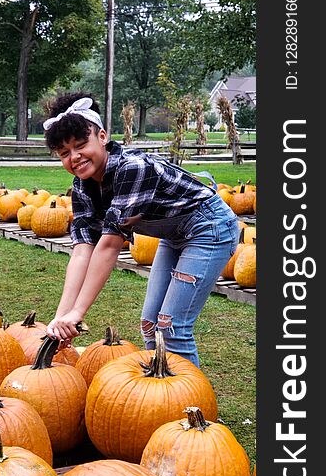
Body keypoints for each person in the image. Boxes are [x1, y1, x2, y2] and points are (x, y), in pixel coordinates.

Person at [44, 91, 239, 368]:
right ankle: (163, 393)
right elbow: (81, 251)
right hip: (173, 237)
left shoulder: (132, 169)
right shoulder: (82, 187)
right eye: (65, 153)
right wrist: (62, 316)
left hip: (209, 228)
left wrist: (79, 311)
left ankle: (188, 403)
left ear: (102, 137)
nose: (74, 157)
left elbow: (109, 245)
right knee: (150, 324)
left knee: (172, 326)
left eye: (80, 145)